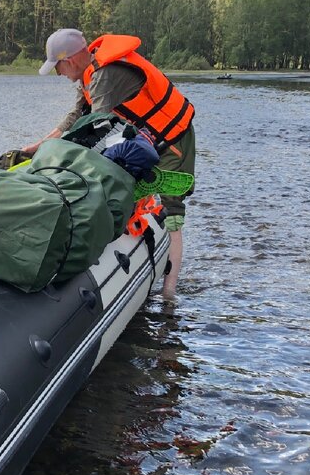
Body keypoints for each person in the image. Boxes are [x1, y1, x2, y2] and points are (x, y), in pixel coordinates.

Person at [24, 28, 196, 299]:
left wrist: (67, 161)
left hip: (173, 139)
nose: (59, 75)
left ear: (69, 60)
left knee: (173, 212)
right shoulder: (90, 73)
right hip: (146, 141)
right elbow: (77, 116)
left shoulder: (105, 75)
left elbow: (95, 126)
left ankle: (169, 295)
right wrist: (39, 147)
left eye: (58, 68)